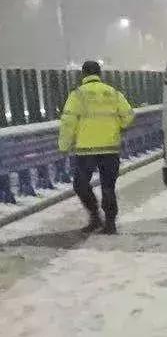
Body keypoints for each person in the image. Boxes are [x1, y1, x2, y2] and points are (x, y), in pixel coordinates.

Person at [58, 60, 135, 234]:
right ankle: (110, 224)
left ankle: (94, 217)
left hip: (86, 150)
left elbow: (68, 122)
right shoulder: (113, 93)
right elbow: (129, 116)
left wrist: (64, 145)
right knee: (108, 186)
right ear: (99, 74)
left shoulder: (77, 95)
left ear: (83, 75)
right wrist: (117, 127)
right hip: (110, 148)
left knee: (80, 185)